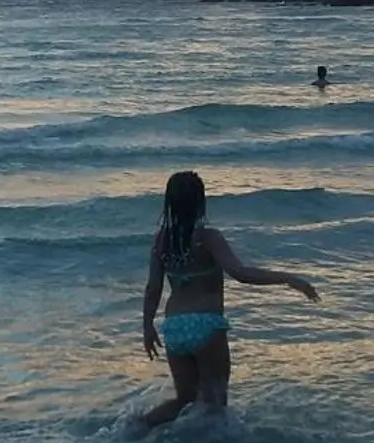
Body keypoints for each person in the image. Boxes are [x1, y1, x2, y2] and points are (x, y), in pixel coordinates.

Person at [136, 171, 319, 429]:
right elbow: (240, 273)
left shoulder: (161, 241)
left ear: (169, 203)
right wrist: (288, 278)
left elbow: (153, 287)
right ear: (200, 202)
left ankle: (139, 426)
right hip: (206, 326)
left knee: (184, 399)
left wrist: (147, 327)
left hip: (174, 328)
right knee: (216, 404)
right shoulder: (208, 237)